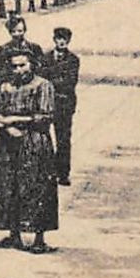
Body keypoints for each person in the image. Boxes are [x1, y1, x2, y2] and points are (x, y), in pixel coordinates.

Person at [0, 48, 59, 253]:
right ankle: (13, 234)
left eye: (23, 65)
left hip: (35, 142)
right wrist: (4, 125)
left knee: (36, 186)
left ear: (32, 65)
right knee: (7, 186)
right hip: (7, 143)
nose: (18, 70)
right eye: (14, 66)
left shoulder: (43, 86)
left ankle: (38, 237)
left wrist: (16, 120)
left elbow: (45, 116)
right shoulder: (5, 86)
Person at [44, 27, 80, 186]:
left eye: (65, 39)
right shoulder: (45, 58)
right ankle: (48, 171)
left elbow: (70, 82)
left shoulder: (73, 59)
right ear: (54, 39)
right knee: (44, 139)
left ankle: (63, 173)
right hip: (47, 104)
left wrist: (53, 81)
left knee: (63, 139)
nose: (62, 41)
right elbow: (42, 78)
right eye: (59, 38)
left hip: (65, 104)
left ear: (69, 41)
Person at [0, 14, 45, 84]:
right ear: (9, 32)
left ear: (24, 30)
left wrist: (31, 67)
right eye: (13, 31)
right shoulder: (3, 50)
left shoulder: (34, 48)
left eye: (20, 31)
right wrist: (10, 72)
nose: (17, 34)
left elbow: (42, 67)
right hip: (11, 85)